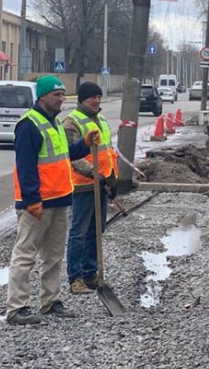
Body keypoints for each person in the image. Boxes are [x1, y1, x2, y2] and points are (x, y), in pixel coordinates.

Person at [7, 75, 99, 325]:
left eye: (62, 94)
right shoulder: (29, 124)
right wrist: (31, 199)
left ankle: (50, 301)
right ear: (43, 96)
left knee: (54, 256)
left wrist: (84, 144)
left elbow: (64, 154)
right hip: (38, 203)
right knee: (25, 255)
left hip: (59, 199)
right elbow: (25, 166)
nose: (61, 99)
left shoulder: (55, 123)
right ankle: (17, 307)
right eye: (56, 95)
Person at [63, 82, 118, 294]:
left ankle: (90, 273)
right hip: (83, 185)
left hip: (101, 184)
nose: (96, 101)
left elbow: (107, 152)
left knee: (97, 230)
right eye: (91, 97)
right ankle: (75, 278)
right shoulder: (72, 122)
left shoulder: (101, 120)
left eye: (98, 97)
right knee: (79, 232)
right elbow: (71, 155)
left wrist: (112, 180)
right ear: (82, 100)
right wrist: (93, 173)